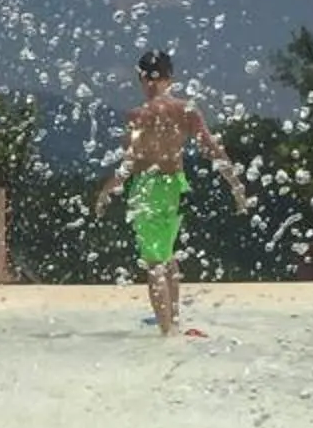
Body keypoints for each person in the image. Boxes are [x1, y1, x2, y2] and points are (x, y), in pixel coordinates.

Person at [93, 49, 249, 335]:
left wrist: (106, 191)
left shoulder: (137, 115)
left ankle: (168, 334)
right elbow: (213, 149)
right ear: (170, 78)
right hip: (175, 185)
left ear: (141, 79)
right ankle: (174, 323)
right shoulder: (185, 110)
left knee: (154, 263)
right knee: (169, 256)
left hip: (146, 189)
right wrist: (236, 186)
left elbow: (129, 163)